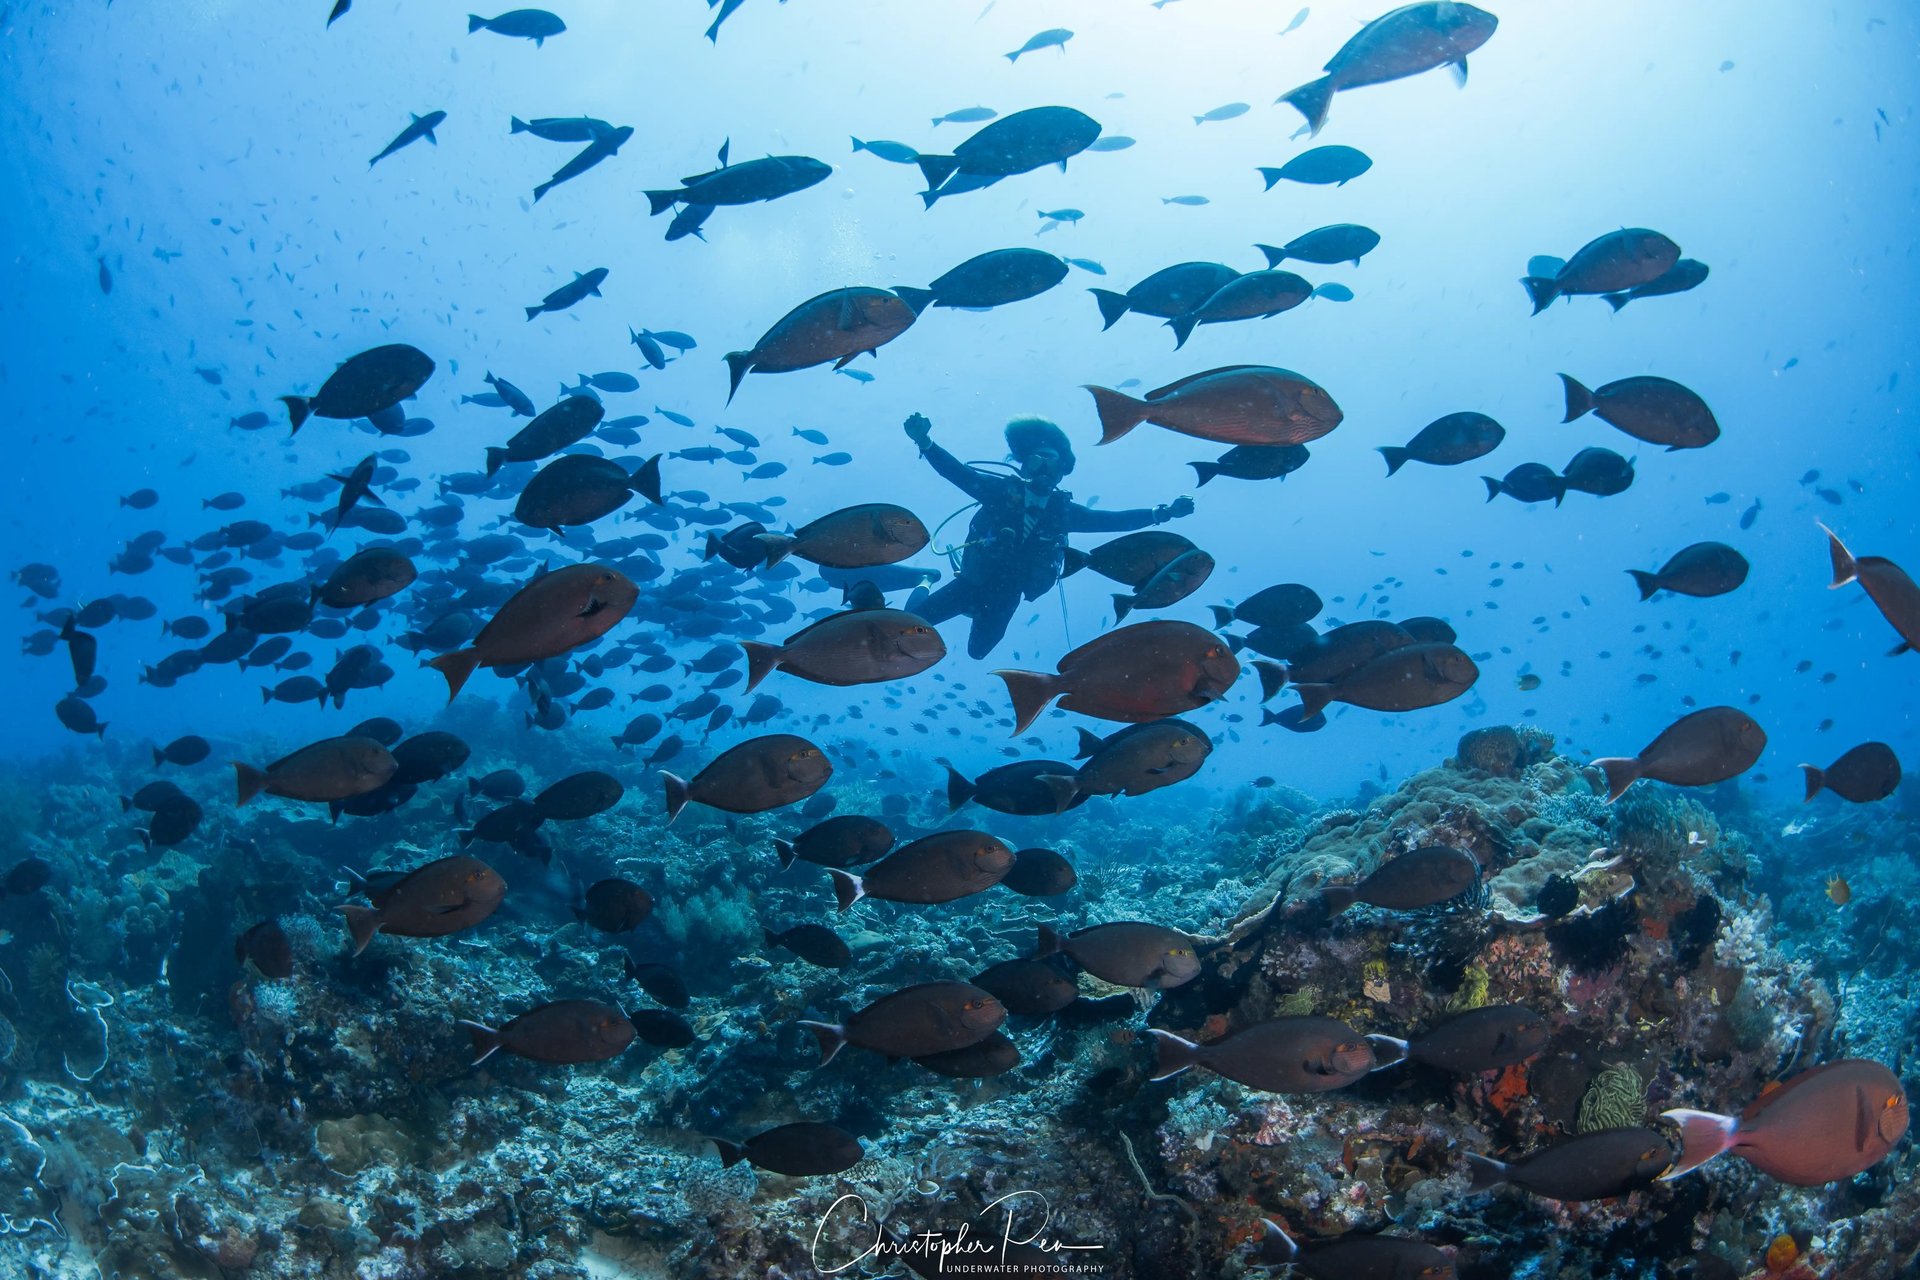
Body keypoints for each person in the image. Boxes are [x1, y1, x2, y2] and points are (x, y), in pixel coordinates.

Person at [902, 411, 1195, 660]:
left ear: (1063, 466)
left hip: (1008, 592)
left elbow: (1113, 520)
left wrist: (1163, 512)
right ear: (1024, 463)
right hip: (972, 579)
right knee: (908, 625)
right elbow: (958, 473)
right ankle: (925, 581)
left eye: (1049, 457)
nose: (1041, 464)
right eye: (1035, 458)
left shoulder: (1063, 512)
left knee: (977, 652)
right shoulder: (1001, 492)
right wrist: (924, 441)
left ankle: (972, 609)